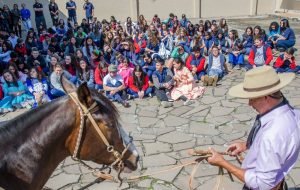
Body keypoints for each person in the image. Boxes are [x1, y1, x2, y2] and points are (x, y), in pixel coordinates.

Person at [208, 66, 300, 190]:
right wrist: (248, 144)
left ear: (266, 97)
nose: (249, 103)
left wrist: (223, 163)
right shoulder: (293, 114)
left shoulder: (272, 134)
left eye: (252, 98)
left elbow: (261, 183)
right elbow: (280, 146)